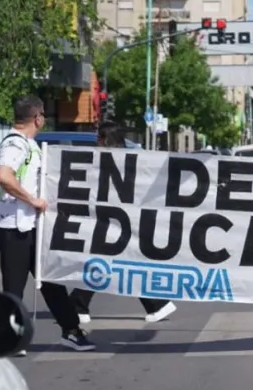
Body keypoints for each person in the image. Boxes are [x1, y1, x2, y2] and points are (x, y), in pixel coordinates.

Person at [0, 95, 95, 352]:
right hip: (14, 226)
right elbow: (3, 176)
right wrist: (33, 200)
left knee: (50, 280)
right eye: (43, 114)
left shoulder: (29, 144)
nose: (44, 119)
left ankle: (71, 331)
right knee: (14, 287)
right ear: (37, 118)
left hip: (32, 226)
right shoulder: (15, 145)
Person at [69, 121, 178, 324]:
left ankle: (78, 304)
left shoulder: (107, 159)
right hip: (124, 217)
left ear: (104, 139)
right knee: (121, 261)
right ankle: (157, 303)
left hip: (112, 218)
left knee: (101, 259)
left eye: (98, 139)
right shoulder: (131, 157)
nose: (96, 143)